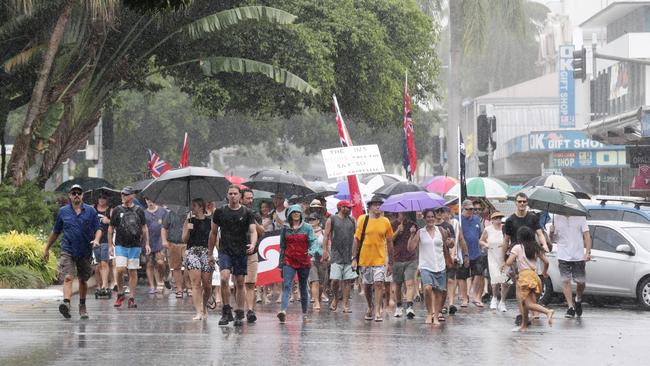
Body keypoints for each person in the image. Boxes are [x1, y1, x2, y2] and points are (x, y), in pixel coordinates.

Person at [44, 184, 102, 319]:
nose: (76, 195)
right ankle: (67, 303)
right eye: (74, 193)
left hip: (85, 249)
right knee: (68, 277)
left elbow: (99, 228)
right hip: (68, 249)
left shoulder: (91, 211)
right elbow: (56, 232)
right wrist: (46, 248)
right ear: (69, 195)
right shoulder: (63, 211)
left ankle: (82, 305)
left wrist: (97, 240)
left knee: (82, 280)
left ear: (82, 195)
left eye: (79, 193)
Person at [209, 185, 257, 327]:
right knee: (224, 278)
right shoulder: (220, 211)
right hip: (225, 250)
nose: (233, 196)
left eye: (235, 194)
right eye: (230, 193)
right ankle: (226, 310)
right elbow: (213, 233)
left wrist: (253, 244)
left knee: (240, 282)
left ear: (240, 196)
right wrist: (210, 253)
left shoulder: (247, 212)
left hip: (241, 250)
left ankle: (240, 312)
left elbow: (253, 231)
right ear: (227, 195)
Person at [502, 192, 549, 325]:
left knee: (533, 285)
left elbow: (540, 233)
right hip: (516, 255)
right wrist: (502, 259)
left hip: (531, 252)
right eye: (519, 201)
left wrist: (544, 244)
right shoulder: (510, 220)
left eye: (524, 201)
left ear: (527, 203)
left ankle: (531, 309)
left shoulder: (533, 218)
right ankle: (523, 313)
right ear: (516, 203)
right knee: (520, 287)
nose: (522, 204)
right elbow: (505, 240)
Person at [502, 226, 555, 331]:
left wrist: (509, 258)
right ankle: (524, 326)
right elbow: (546, 262)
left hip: (524, 277)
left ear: (519, 237)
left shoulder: (517, 247)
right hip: (535, 277)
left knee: (528, 304)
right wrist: (544, 272)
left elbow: (508, 262)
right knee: (524, 303)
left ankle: (547, 312)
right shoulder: (535, 248)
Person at [351, 195, 394, 322]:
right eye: (375, 204)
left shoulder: (386, 221)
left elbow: (390, 242)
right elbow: (356, 240)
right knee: (367, 286)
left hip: (380, 259)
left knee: (379, 283)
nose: (378, 207)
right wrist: (354, 258)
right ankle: (370, 306)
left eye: (380, 204)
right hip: (364, 259)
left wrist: (391, 262)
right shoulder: (362, 219)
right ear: (369, 207)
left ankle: (378, 311)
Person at [407, 208, 453, 325]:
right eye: (428, 217)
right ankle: (429, 313)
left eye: (432, 216)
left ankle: (436, 316)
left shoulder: (441, 230)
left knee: (439, 292)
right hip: (425, 265)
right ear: (424, 218)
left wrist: (450, 242)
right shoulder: (420, 232)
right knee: (427, 288)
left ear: (435, 218)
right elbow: (411, 248)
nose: (430, 219)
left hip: (440, 264)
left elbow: (450, 244)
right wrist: (412, 234)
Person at [108, 186, 150, 309]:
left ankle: (131, 297)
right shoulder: (117, 210)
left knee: (132, 270)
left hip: (135, 245)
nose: (124, 197)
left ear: (132, 196)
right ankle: (120, 292)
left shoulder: (139, 210)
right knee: (120, 269)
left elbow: (144, 227)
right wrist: (110, 245)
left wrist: (147, 243)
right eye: (122, 194)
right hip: (120, 244)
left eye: (126, 194)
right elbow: (111, 228)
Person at [277, 205, 319, 323]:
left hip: (304, 260)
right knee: (286, 285)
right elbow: (283, 247)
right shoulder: (285, 228)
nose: (296, 214)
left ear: (301, 214)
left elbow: (313, 242)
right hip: (289, 260)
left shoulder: (308, 227)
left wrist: (311, 252)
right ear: (289, 214)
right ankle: (283, 311)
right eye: (293, 212)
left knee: (303, 287)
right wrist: (280, 265)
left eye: (298, 212)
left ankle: (305, 314)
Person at [549, 214, 592, 318]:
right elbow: (552, 240)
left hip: (578, 255)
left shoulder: (580, 217)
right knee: (565, 281)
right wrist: (551, 232)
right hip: (563, 254)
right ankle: (570, 307)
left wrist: (588, 252)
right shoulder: (556, 217)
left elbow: (587, 235)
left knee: (581, 282)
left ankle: (578, 299)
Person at [322, 200, 357, 313]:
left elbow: (356, 237)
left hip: (349, 254)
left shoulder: (352, 220)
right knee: (336, 279)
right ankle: (336, 298)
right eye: (348, 207)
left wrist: (355, 255)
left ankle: (346, 304)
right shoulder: (332, 219)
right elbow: (326, 236)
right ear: (341, 207)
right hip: (336, 253)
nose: (350, 209)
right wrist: (325, 251)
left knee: (347, 280)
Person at [182, 198, 214, 320]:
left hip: (206, 252)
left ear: (201, 207)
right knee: (195, 283)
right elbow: (184, 240)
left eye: (194, 206)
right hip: (192, 252)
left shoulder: (210, 222)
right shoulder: (189, 221)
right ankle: (198, 311)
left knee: (207, 285)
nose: (192, 208)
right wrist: (189, 230)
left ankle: (204, 306)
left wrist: (215, 253)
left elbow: (214, 238)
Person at [241, 188, 265, 323]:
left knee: (250, 284)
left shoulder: (255, 214)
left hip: (251, 252)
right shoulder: (234, 212)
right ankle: (240, 309)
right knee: (239, 284)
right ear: (241, 198)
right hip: (236, 253)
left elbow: (262, 231)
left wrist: (252, 219)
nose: (250, 201)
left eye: (251, 198)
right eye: (247, 198)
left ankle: (250, 310)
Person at [390, 212, 418, 319]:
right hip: (397, 258)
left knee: (409, 283)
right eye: (402, 212)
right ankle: (398, 306)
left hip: (410, 258)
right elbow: (389, 240)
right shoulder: (392, 224)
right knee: (398, 284)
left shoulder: (413, 225)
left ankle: (410, 307)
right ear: (398, 213)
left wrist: (412, 233)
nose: (404, 214)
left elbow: (416, 240)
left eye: (406, 212)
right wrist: (398, 231)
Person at [442, 206, 469, 313]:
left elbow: (460, 238)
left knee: (450, 280)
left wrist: (466, 254)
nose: (444, 215)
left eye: (445, 213)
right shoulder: (437, 225)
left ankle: (451, 303)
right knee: (442, 281)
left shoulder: (455, 223)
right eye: (441, 213)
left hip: (453, 257)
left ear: (449, 214)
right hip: (440, 257)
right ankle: (443, 304)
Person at [480, 211, 509, 312]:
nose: (498, 220)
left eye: (500, 218)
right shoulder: (488, 229)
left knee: (505, 281)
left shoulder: (505, 229)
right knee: (495, 280)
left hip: (504, 257)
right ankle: (494, 298)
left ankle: (503, 302)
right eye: (496, 218)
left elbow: (509, 240)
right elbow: (481, 240)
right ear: (492, 220)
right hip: (492, 256)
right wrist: (486, 245)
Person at [460, 199, 486, 307]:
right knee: (462, 276)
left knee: (479, 274)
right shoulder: (458, 220)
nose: (471, 211)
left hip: (476, 251)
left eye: (473, 209)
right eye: (469, 209)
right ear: (463, 208)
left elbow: (480, 235)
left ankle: (475, 296)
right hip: (463, 253)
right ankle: (464, 298)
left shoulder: (476, 219)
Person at [143, 196, 169, 294]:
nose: (150, 201)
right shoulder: (144, 213)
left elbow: (167, 226)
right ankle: (151, 285)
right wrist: (146, 242)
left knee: (160, 262)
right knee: (149, 263)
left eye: (152, 199)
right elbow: (144, 228)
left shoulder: (163, 211)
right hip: (148, 240)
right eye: (147, 200)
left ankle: (161, 280)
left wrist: (166, 240)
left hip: (160, 239)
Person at [162, 206, 188, 298]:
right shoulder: (171, 213)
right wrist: (164, 240)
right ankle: (179, 289)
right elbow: (164, 227)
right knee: (176, 267)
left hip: (187, 244)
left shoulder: (192, 212)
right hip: (173, 243)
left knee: (189, 267)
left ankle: (189, 287)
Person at [93, 193, 112, 298]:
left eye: (104, 197)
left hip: (105, 239)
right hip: (93, 239)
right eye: (100, 197)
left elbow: (115, 224)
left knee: (105, 262)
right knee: (98, 265)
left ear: (107, 199)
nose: (101, 199)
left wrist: (108, 221)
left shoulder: (110, 210)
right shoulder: (92, 209)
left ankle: (105, 285)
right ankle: (98, 285)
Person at [307, 213, 327, 311]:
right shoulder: (306, 231)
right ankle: (316, 301)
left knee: (322, 283)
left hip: (322, 260)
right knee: (314, 281)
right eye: (309, 219)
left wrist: (327, 254)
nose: (311, 221)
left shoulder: (324, 232)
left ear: (318, 220)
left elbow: (327, 244)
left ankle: (318, 298)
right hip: (311, 259)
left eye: (313, 219)